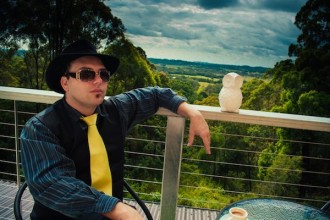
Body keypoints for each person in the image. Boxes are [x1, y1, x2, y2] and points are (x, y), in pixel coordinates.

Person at [20, 39, 211, 220]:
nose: (98, 81)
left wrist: (192, 113)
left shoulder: (115, 111)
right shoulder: (40, 129)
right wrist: (116, 209)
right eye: (86, 74)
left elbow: (155, 95)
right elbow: (54, 184)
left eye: (103, 74)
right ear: (65, 83)